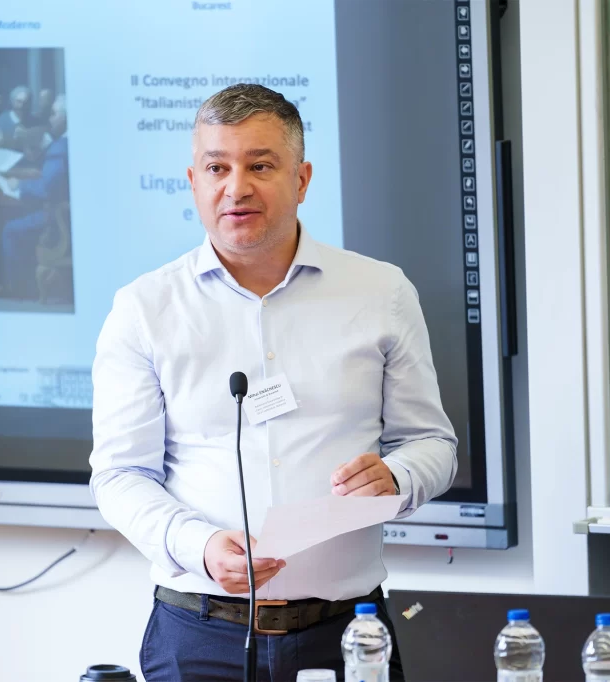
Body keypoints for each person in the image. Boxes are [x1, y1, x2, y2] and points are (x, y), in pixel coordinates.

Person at [89, 84, 457, 681]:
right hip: (199, 633)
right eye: (217, 168)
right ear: (194, 181)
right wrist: (198, 545)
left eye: (260, 166)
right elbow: (120, 474)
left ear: (302, 179)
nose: (236, 188)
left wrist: (398, 475)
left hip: (348, 631)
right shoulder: (144, 309)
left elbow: (433, 445)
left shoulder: (381, 293)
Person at [0, 95, 68, 298]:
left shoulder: (61, 146)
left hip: (59, 215)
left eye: (54, 114)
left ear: (66, 117)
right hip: (65, 210)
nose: (50, 119)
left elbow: (46, 189)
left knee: (10, 229)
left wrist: (20, 185)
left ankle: (17, 288)